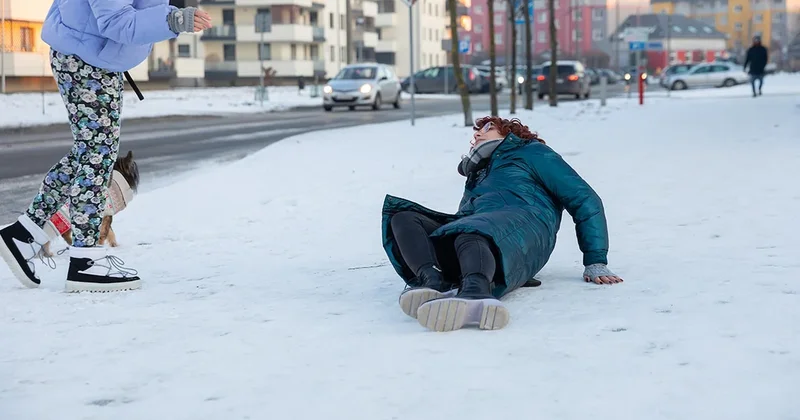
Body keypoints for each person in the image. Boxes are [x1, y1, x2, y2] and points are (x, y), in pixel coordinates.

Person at [0, 0, 212, 292]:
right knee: (96, 158)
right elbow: (116, 22)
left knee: (89, 153)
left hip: (93, 58)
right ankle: (85, 259)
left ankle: (24, 233)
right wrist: (172, 20)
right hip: (86, 60)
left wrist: (175, 10)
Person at [380, 116, 623, 332]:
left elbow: (584, 198)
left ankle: (476, 292)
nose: (476, 133)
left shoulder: (532, 152)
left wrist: (595, 260)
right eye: (474, 131)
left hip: (526, 229)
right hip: (484, 236)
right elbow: (466, 217)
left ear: (510, 132)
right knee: (403, 217)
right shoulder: (479, 173)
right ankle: (432, 280)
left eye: (487, 127)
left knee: (471, 230)